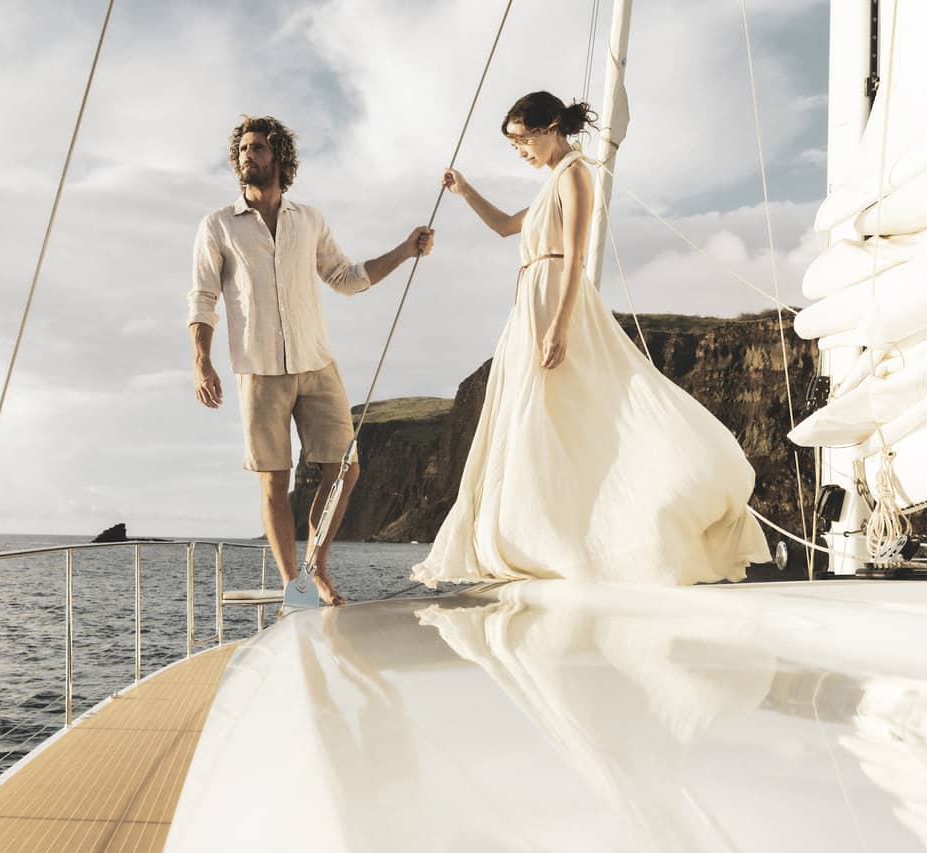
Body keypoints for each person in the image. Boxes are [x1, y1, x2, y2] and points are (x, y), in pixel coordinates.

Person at [412, 92, 769, 587]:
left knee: (570, 415)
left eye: (522, 140)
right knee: (539, 422)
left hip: (556, 304)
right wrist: (465, 191)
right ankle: (545, 535)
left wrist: (559, 325)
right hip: (530, 306)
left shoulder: (576, 174)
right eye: (513, 144)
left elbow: (576, 256)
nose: (519, 151)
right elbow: (502, 228)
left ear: (550, 125)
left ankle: (605, 531)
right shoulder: (549, 185)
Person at [189, 115, 434, 606]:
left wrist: (406, 251)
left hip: (317, 363)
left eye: (257, 148)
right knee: (274, 480)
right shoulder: (218, 225)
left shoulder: (310, 219)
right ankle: (293, 585)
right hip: (258, 370)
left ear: (279, 156)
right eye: (243, 149)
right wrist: (201, 361)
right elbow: (202, 297)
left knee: (344, 469)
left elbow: (345, 277)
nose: (247, 156)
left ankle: (316, 566)